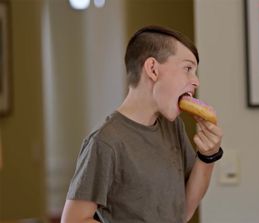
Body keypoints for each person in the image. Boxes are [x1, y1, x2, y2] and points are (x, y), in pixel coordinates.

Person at [61, 25, 223, 223]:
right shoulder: (105, 142)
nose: (196, 81)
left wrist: (209, 156)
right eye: (188, 68)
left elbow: (184, 212)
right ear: (153, 69)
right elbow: (73, 220)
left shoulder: (173, 127)